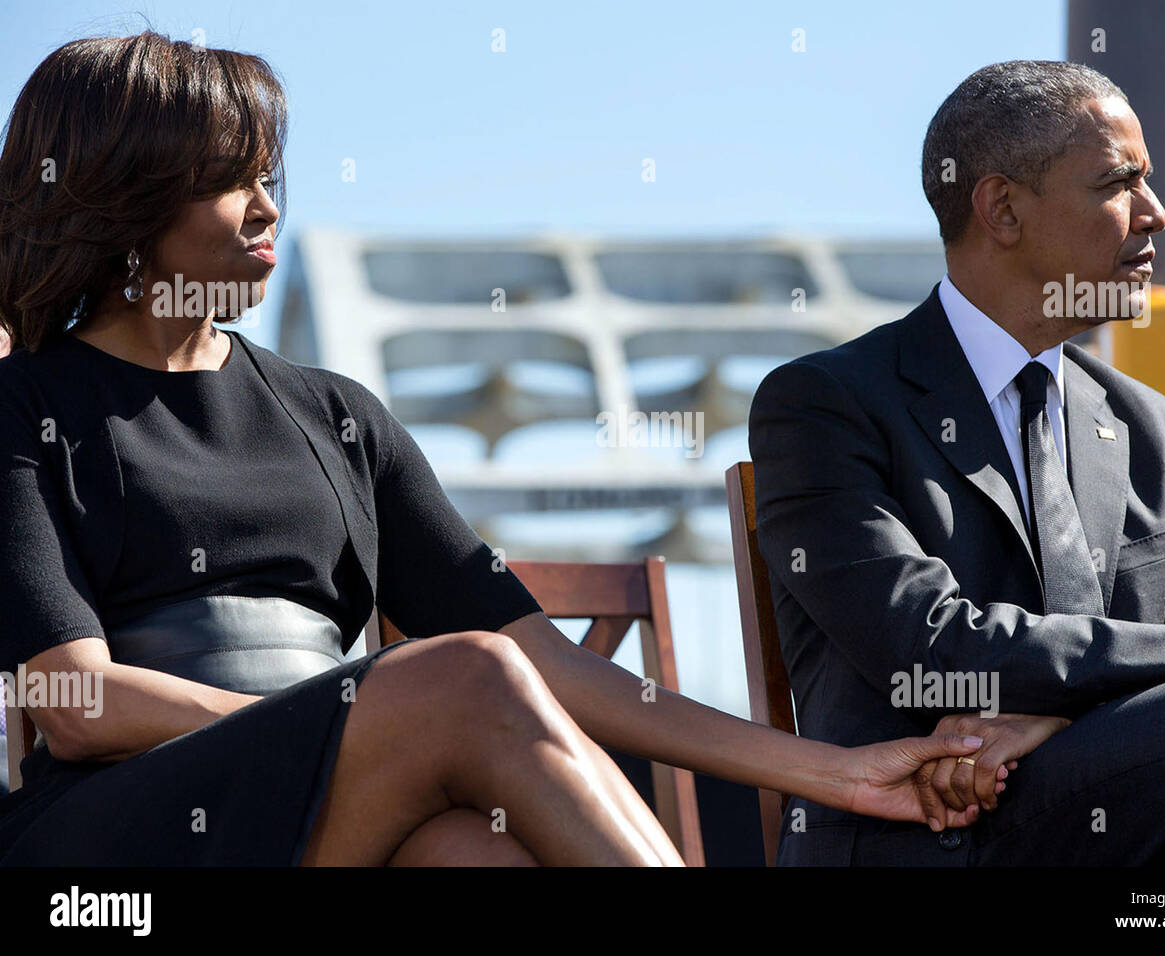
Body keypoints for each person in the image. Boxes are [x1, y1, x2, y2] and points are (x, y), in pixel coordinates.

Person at [0, 31, 1006, 867]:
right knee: (460, 679)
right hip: (114, 839)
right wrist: (348, 719)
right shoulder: (22, 404)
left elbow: (545, 665)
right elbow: (78, 703)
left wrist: (830, 766)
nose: (267, 208)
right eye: (226, 180)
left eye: (269, 174)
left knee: (470, 853)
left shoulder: (335, 414)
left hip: (324, 808)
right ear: (121, 198)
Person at [749, 59, 1165, 867]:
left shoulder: (1152, 428)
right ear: (1002, 208)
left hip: (1143, 837)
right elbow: (931, 652)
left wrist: (1062, 717)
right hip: (937, 830)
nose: (1155, 213)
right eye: (1119, 183)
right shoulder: (826, 403)